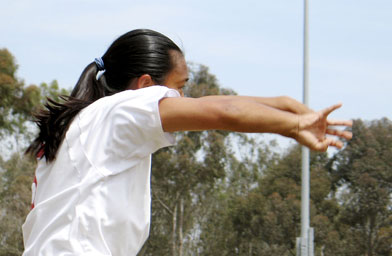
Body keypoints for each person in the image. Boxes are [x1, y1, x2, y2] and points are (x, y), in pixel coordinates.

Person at [22, 29, 352, 255]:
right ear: (146, 84)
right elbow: (226, 112)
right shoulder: (123, 109)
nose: (183, 98)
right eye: (179, 88)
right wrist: (293, 125)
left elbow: (219, 103)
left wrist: (286, 106)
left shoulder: (83, 124)